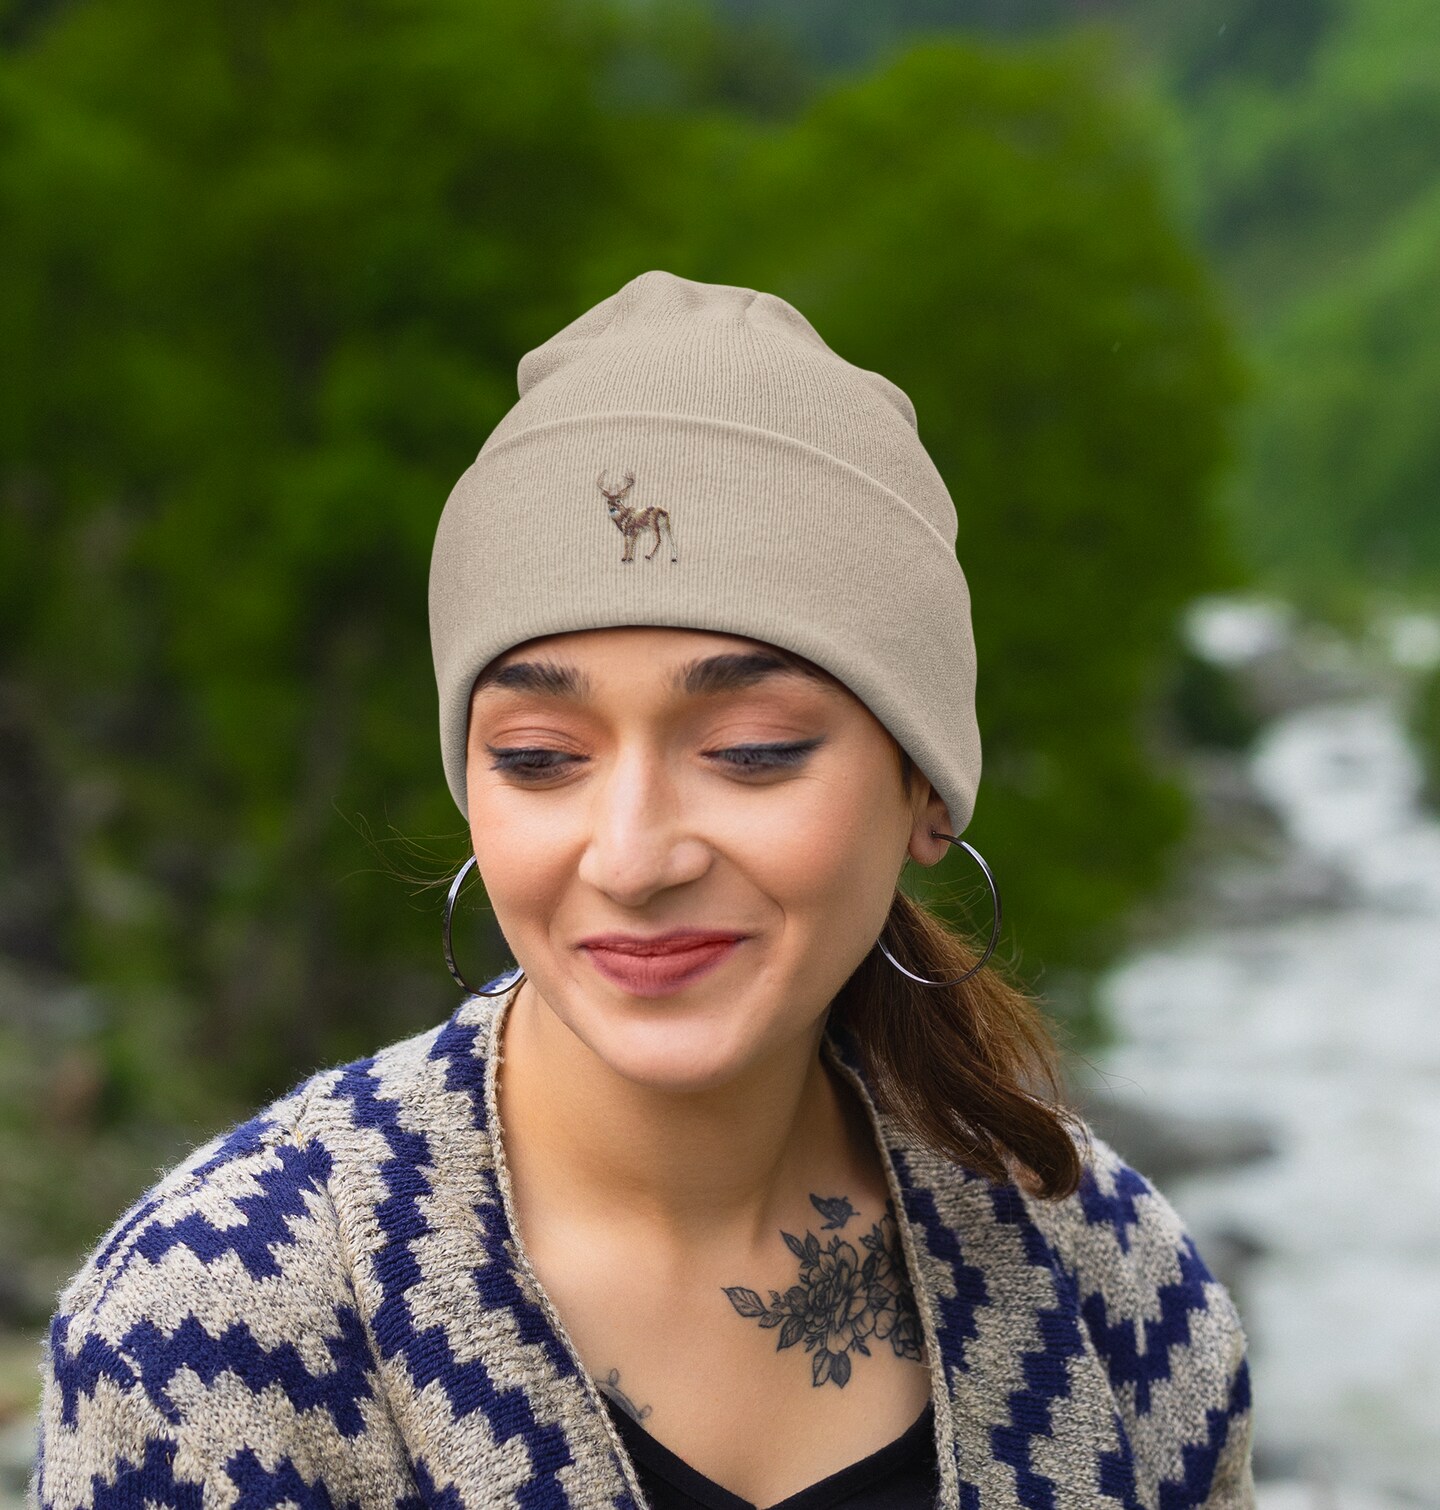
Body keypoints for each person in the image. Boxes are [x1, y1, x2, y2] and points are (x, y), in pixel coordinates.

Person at [32, 271, 1255, 1510]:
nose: (630, 856)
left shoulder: (1109, 1282)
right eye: (539, 758)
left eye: (752, 750)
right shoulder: (210, 1335)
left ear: (926, 788)